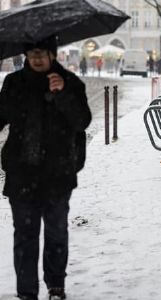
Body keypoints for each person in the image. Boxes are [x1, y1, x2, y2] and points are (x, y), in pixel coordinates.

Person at [0, 35, 92, 300]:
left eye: (41, 53)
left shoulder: (71, 82)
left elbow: (81, 121)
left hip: (58, 174)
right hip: (22, 174)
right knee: (25, 237)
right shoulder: (14, 83)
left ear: (52, 55)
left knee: (56, 234)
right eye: (32, 54)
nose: (36, 59)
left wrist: (62, 94)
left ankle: (56, 286)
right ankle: (27, 292)